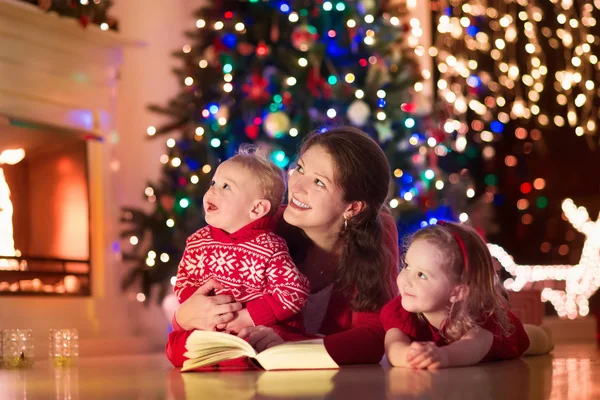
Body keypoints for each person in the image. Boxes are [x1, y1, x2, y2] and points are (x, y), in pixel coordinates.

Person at [166, 126, 400, 368]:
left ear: (353, 208)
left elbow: (372, 338)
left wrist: (290, 345)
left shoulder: (377, 230)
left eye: (319, 182)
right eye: (300, 168)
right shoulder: (260, 227)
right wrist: (182, 317)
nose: (296, 187)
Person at [173, 145, 310, 335]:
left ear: (256, 209)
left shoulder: (270, 247)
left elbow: (293, 292)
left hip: (256, 327)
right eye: (213, 183)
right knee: (177, 347)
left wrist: (248, 317)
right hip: (210, 327)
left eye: (226, 186)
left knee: (254, 344)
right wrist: (201, 307)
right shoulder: (198, 241)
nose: (212, 191)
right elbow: (184, 280)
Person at [382, 221, 553, 370]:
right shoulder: (401, 311)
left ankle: (545, 334)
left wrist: (444, 356)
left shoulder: (479, 319)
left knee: (532, 339)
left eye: (422, 275)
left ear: (457, 291)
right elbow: (393, 345)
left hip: (505, 338)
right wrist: (409, 357)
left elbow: (473, 346)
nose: (406, 280)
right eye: (407, 266)